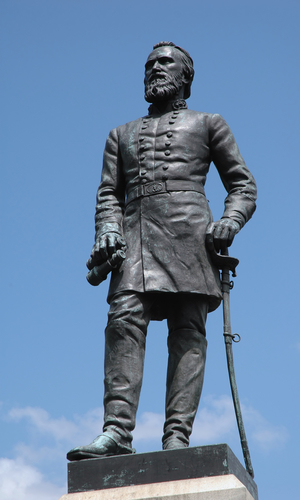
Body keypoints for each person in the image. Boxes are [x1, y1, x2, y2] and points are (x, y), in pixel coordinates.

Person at [67, 41, 257, 461]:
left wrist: (230, 220)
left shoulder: (210, 123)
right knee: (123, 321)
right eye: (149, 64)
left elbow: (243, 185)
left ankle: (176, 437)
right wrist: (108, 230)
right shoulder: (120, 134)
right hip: (135, 238)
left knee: (188, 330)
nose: (155, 69)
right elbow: (107, 195)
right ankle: (116, 431)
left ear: (186, 75)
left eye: (164, 62)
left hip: (190, 236)